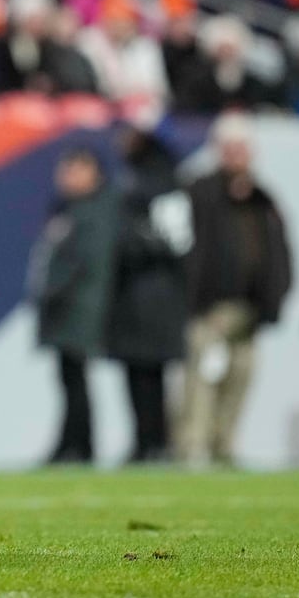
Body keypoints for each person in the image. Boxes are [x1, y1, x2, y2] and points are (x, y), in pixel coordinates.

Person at [176, 114, 292, 468]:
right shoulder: (200, 191)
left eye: (242, 147)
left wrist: (275, 295)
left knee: (241, 375)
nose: (237, 155)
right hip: (210, 307)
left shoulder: (262, 196)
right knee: (203, 376)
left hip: (250, 309)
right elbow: (186, 246)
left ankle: (224, 444)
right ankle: (192, 446)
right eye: (231, 147)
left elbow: (279, 252)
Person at [29, 146, 120, 464]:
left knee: (76, 378)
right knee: (69, 378)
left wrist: (52, 289)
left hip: (79, 306)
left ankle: (78, 445)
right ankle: (73, 443)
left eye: (74, 168)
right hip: (67, 306)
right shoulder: (68, 208)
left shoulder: (95, 209)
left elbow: (83, 260)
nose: (66, 176)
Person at [103, 128, 190, 464]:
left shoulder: (160, 187)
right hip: (141, 297)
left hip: (153, 296)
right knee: (142, 376)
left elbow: (176, 243)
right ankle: (147, 442)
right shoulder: (143, 182)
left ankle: (153, 442)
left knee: (148, 376)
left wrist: (133, 240)